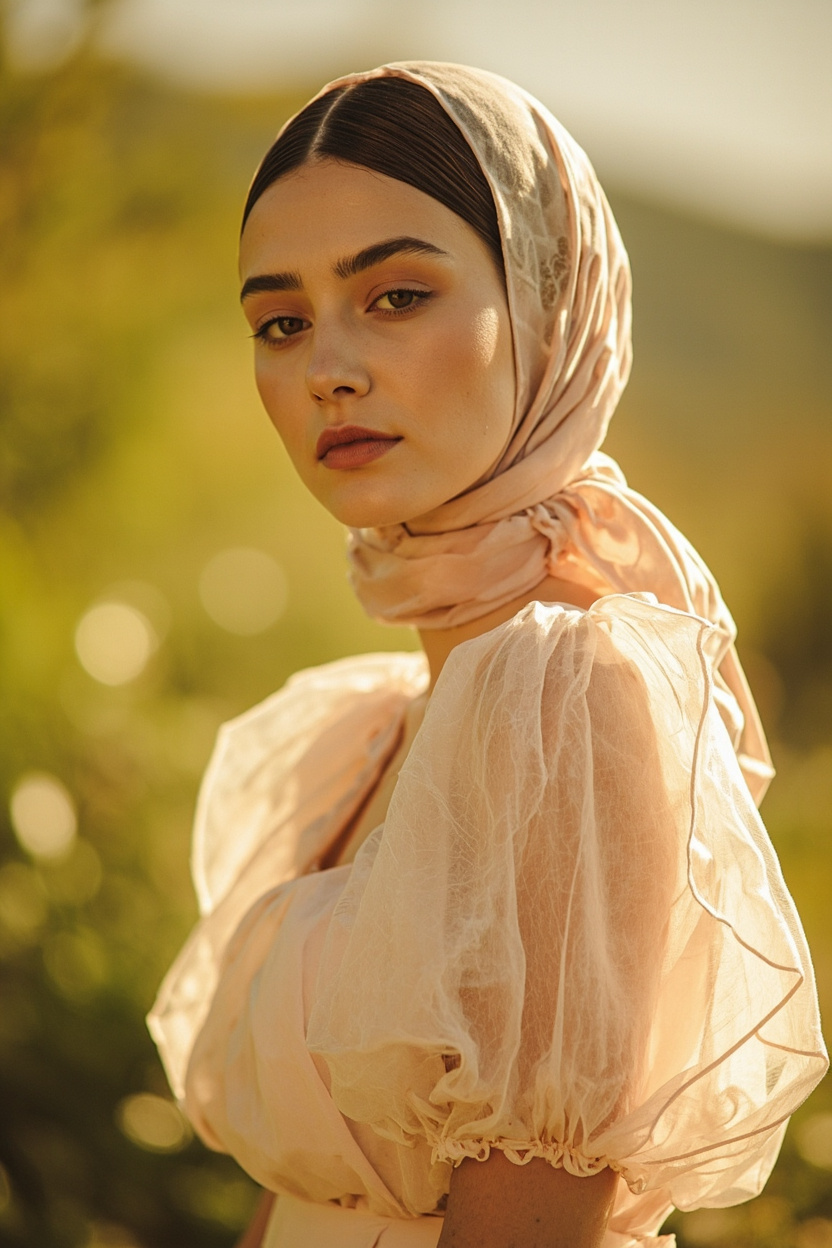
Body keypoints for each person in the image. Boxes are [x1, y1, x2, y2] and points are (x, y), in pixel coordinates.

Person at [147, 62, 828, 1248]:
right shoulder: (376, 724)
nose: (328, 369)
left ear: (550, 305)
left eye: (398, 296)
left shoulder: (566, 694)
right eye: (280, 321)